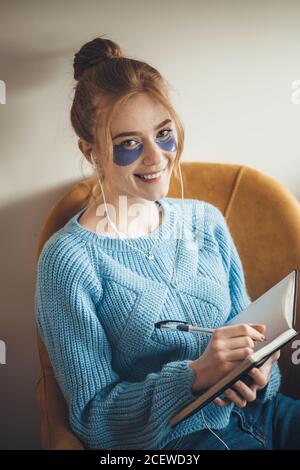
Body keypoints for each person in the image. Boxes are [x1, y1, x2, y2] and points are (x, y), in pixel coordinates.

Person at [34, 36, 300, 451]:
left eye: (163, 133)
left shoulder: (206, 220)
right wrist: (196, 376)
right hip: (180, 442)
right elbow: (93, 419)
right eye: (128, 144)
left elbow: (250, 331)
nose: (156, 157)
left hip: (263, 412)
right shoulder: (69, 261)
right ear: (91, 152)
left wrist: (261, 371)